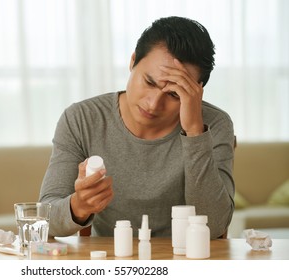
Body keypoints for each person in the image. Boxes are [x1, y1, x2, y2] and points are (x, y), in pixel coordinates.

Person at [39, 16, 235, 239]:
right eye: (149, 82)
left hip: (184, 259)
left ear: (196, 93)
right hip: (110, 260)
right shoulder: (81, 119)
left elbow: (215, 227)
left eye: (174, 94)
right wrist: (79, 205)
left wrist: (194, 132)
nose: (153, 104)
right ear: (132, 61)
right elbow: (45, 220)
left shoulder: (215, 124)